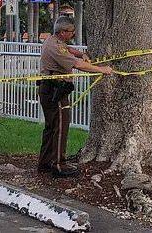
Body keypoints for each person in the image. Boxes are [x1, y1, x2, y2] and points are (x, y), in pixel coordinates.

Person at [37, 16, 112, 177]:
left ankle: (45, 163)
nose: (73, 34)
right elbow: (78, 65)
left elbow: (68, 50)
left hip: (49, 89)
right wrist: (102, 70)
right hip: (54, 91)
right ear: (63, 32)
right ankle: (58, 165)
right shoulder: (56, 48)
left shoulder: (52, 41)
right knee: (60, 127)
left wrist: (79, 53)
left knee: (51, 127)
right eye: (71, 32)